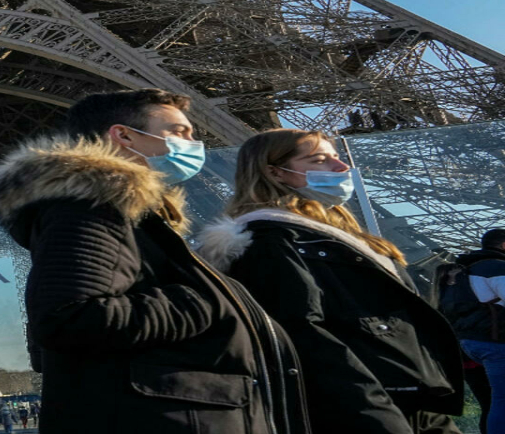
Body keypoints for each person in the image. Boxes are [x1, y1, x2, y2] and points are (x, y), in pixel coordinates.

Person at [0, 89, 307, 434]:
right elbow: (67, 317)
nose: (193, 142)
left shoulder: (125, 212)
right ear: (123, 135)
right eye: (179, 132)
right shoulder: (89, 208)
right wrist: (205, 301)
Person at [196, 128, 464, 434]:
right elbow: (304, 336)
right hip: (366, 403)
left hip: (410, 394)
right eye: (320, 160)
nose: (341, 168)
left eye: (337, 156)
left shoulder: (340, 239)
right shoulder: (269, 242)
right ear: (274, 172)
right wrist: (376, 412)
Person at [442, 228, 505, 433]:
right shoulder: (495, 267)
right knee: (502, 400)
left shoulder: (464, 268)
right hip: (495, 341)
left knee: (492, 401)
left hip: (469, 343)